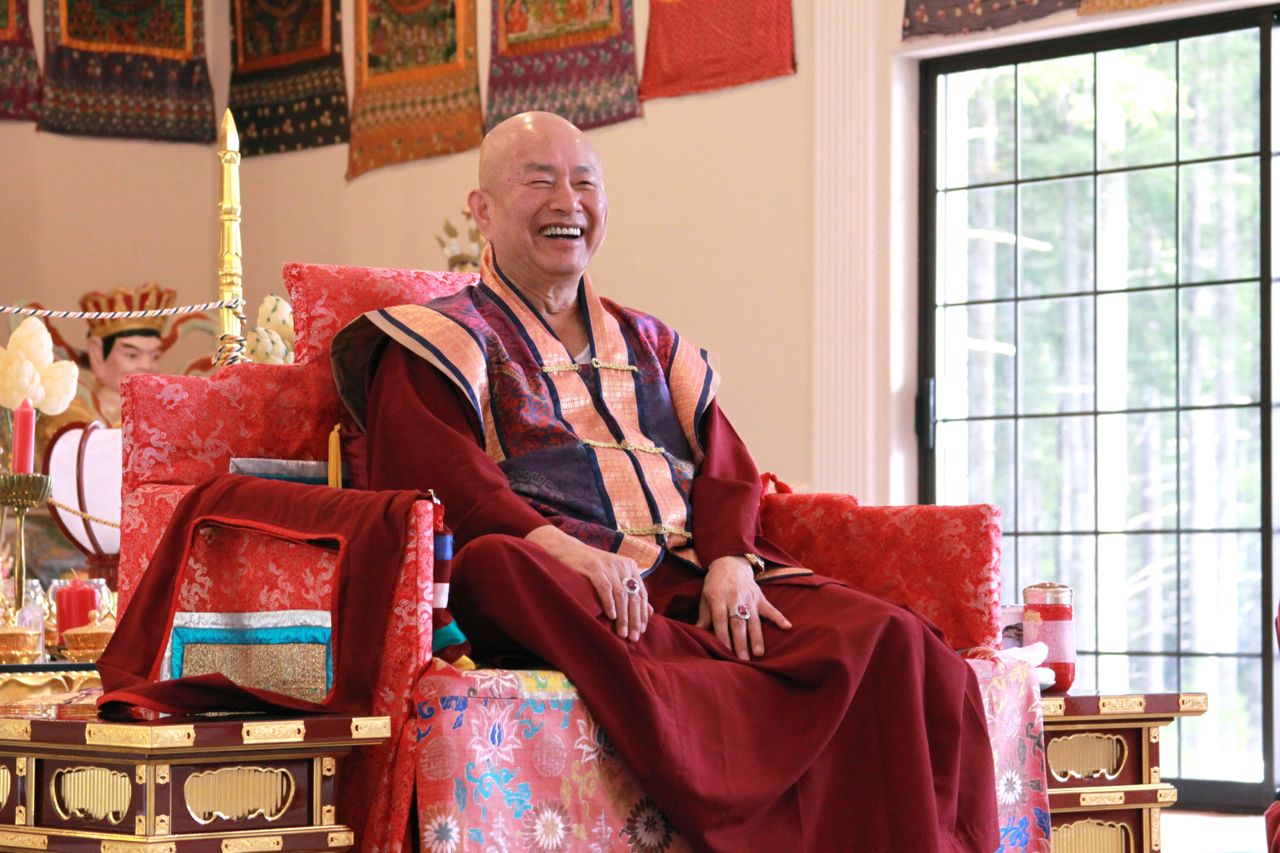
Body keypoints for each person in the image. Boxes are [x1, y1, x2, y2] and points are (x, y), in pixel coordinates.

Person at [332, 112, 999, 851]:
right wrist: (573, 553)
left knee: (897, 640)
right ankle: (698, 696)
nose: (567, 202)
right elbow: (445, 484)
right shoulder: (435, 341)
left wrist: (731, 561)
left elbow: (727, 467)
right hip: (579, 589)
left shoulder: (652, 342)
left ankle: (706, 681)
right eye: (539, 181)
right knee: (494, 565)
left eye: (585, 183)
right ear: (482, 209)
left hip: (687, 579)